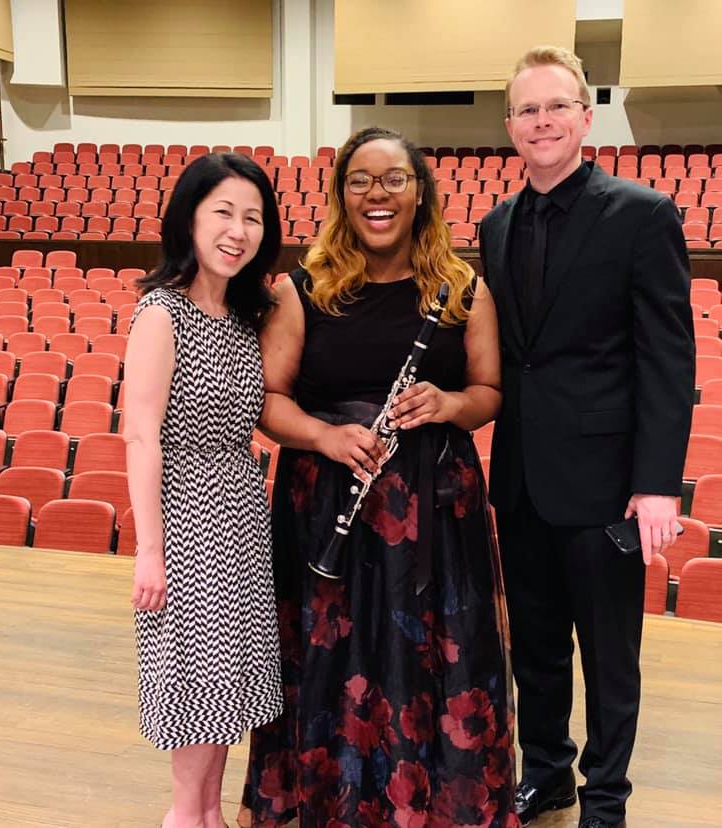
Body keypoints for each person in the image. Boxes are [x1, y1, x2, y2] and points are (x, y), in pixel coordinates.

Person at [239, 126, 518, 827]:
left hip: (436, 510)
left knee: (433, 654)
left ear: (419, 191)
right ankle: (333, 800)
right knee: (332, 655)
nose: (377, 194)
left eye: (393, 178)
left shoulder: (462, 288)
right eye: (359, 180)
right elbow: (269, 401)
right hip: (329, 496)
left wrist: (450, 404)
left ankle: (435, 802)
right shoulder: (301, 291)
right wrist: (325, 435)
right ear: (341, 196)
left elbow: (489, 390)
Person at [479, 47, 695, 828]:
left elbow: (668, 359)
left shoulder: (641, 213)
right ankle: (549, 775)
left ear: (584, 116)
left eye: (555, 106)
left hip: (606, 482)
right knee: (534, 649)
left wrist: (657, 484)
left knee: (609, 661)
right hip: (524, 478)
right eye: (526, 110)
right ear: (510, 127)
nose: (541, 121)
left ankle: (606, 798)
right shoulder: (495, 224)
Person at [124, 152, 283, 828]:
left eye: (252, 217)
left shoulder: (246, 317)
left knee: (228, 684)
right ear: (188, 218)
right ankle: (190, 818)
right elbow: (141, 437)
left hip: (243, 512)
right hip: (188, 519)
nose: (238, 230)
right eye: (223, 211)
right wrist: (151, 551)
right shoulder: (162, 314)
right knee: (196, 680)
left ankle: (211, 816)